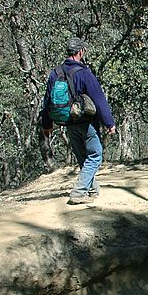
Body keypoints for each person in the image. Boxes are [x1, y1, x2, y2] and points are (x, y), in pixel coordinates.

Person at [41, 37, 117, 205]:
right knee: (95, 156)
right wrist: (109, 123)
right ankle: (78, 193)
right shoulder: (84, 73)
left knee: (83, 158)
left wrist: (46, 125)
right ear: (80, 52)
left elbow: (46, 102)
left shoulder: (55, 73)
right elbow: (99, 99)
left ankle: (92, 190)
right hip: (86, 122)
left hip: (68, 122)